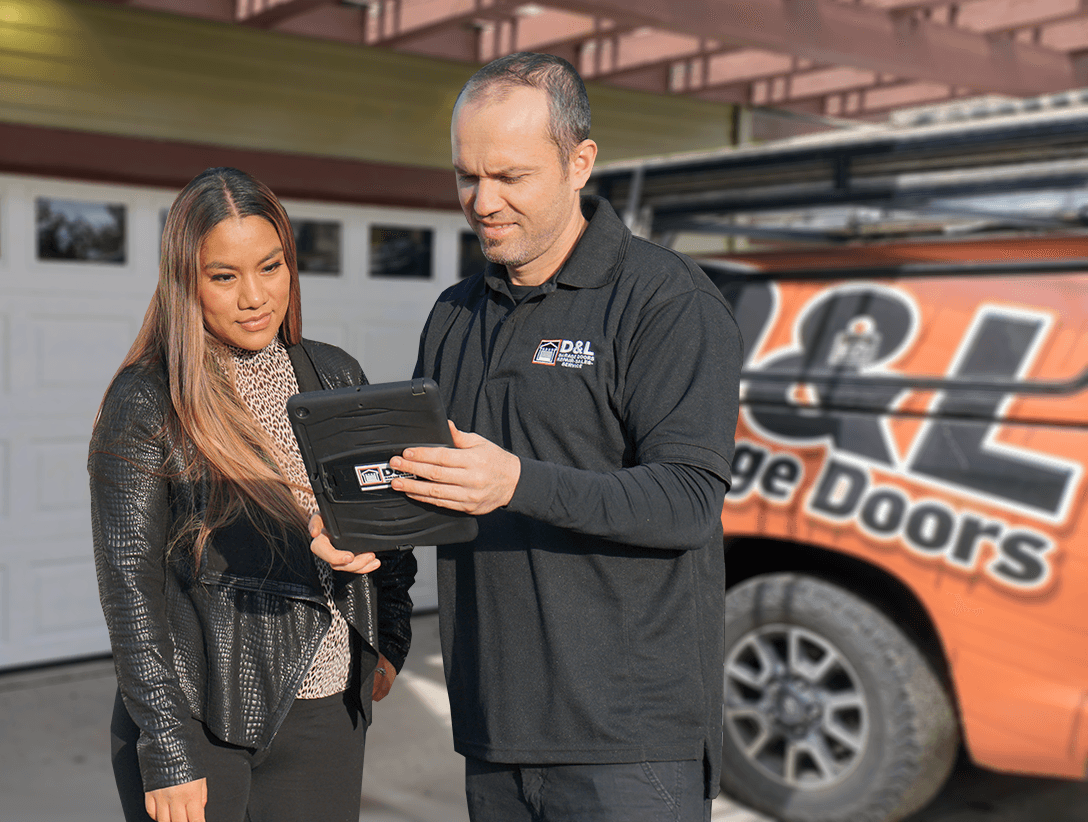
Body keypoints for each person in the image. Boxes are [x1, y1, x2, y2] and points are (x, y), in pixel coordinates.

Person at [315, 54, 741, 821]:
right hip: (492, 727)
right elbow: (423, 479)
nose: (483, 202)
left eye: (510, 177)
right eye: (467, 177)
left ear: (580, 163)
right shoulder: (455, 313)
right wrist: (369, 562)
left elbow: (687, 500)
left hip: (628, 742)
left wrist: (517, 483)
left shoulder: (666, 301)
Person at [89, 166, 417, 822]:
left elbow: (387, 521)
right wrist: (167, 749)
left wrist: (390, 638)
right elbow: (130, 586)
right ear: (187, 281)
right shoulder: (149, 400)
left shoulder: (334, 374)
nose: (254, 297)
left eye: (270, 267)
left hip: (328, 709)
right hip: (201, 716)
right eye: (224, 276)